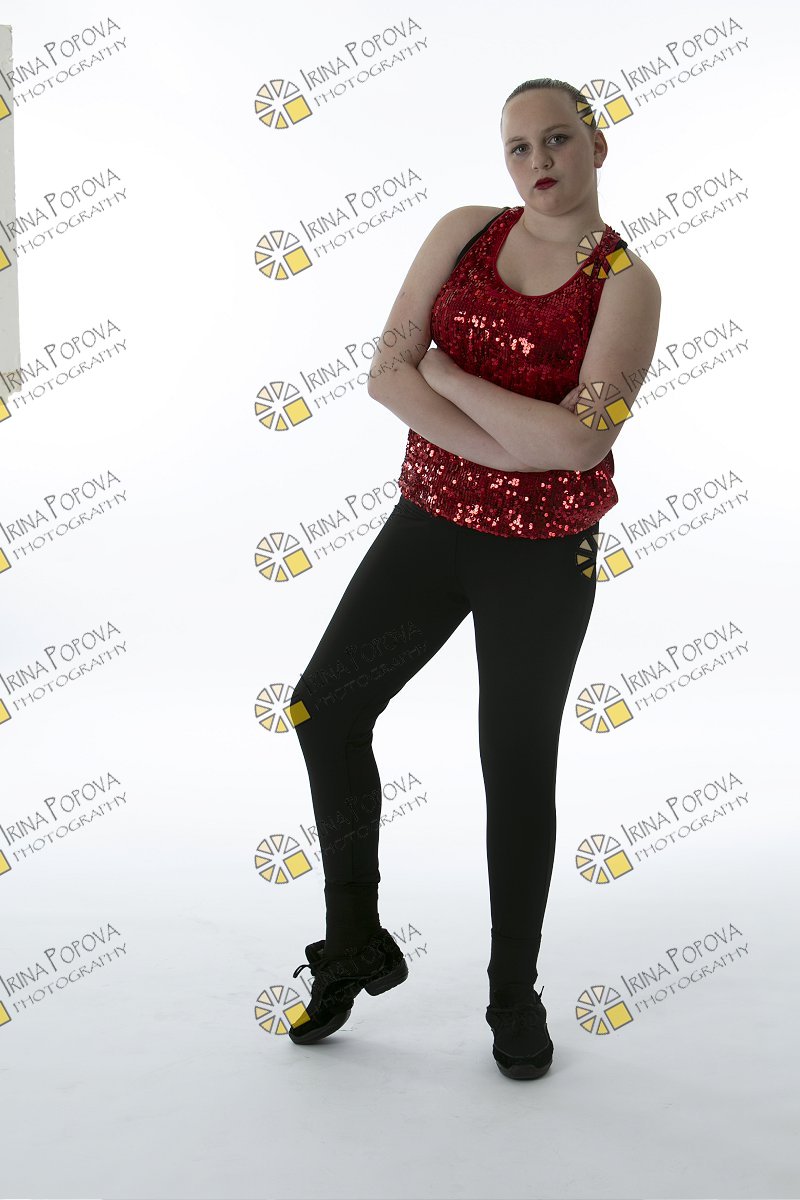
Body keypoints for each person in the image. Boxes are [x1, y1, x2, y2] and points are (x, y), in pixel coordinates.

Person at [288, 77, 661, 1079]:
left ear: (596, 147)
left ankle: (511, 991)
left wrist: (447, 377)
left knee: (515, 763)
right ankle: (353, 940)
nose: (539, 161)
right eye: (518, 147)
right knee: (325, 709)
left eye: (558, 139)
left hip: (543, 554)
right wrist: (518, 443)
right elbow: (384, 373)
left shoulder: (625, 283)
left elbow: (579, 449)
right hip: (428, 525)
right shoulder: (462, 232)